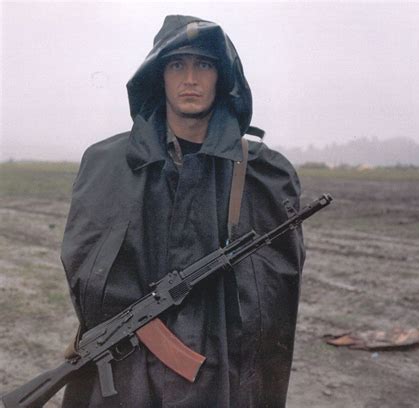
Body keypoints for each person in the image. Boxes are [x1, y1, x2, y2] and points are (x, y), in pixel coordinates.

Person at [61, 15, 305, 407]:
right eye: (177, 65)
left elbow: (271, 305)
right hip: (127, 368)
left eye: (203, 65)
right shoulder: (106, 162)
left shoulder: (262, 173)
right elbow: (85, 264)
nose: (190, 78)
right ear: (158, 76)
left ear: (222, 78)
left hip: (216, 372)